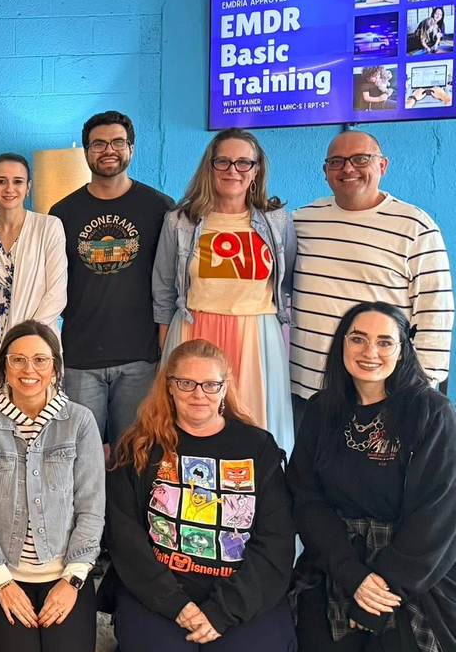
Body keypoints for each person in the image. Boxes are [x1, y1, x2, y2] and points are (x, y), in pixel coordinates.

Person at [289, 303, 456, 652]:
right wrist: (350, 575)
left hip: (409, 573)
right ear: (342, 344)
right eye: (358, 338)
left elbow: (437, 515)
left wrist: (380, 588)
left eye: (385, 341)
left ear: (403, 350)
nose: (370, 351)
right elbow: (306, 499)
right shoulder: (322, 410)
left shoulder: (431, 413)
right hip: (339, 558)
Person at [105, 339, 296, 652]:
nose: (199, 394)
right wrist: (176, 604)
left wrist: (223, 613)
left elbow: (275, 541)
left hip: (237, 588)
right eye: (186, 383)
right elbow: (124, 536)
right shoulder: (140, 445)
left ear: (225, 388)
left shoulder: (258, 448)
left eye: (211, 384)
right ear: (169, 387)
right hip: (162, 587)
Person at [0, 320, 104, 652]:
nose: (29, 370)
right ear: (3, 367)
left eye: (40, 360)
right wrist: (2, 583)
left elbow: (91, 508)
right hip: (4, 571)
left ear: (56, 366)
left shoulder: (80, 422)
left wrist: (72, 581)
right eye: (18, 360)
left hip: (65, 573)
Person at [290, 131, 452, 429]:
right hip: (309, 389)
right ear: (325, 171)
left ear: (382, 165)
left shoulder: (415, 226)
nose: (348, 169)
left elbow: (435, 312)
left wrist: (421, 387)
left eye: (360, 159)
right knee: (306, 475)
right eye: (337, 161)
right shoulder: (301, 221)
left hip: (382, 393)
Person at [153, 128, 297, 455]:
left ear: (256, 170)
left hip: (256, 336)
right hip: (194, 330)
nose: (233, 170)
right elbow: (163, 287)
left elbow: (285, 280)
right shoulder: (181, 220)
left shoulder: (276, 221)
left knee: (253, 424)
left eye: (243, 163)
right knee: (190, 418)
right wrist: (164, 346)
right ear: (210, 166)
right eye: (223, 162)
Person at [51, 111, 175, 449]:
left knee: (135, 454)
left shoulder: (161, 208)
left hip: (140, 356)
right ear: (87, 151)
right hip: (80, 357)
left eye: (118, 142)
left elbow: (170, 284)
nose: (109, 150)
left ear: (131, 149)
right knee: (79, 455)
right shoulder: (62, 214)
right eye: (99, 143)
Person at [0, 153, 66, 356]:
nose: (9, 188)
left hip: (38, 346)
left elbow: (56, 293)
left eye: (18, 181)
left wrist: (23, 343)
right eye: (1, 181)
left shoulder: (49, 226)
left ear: (28, 187)